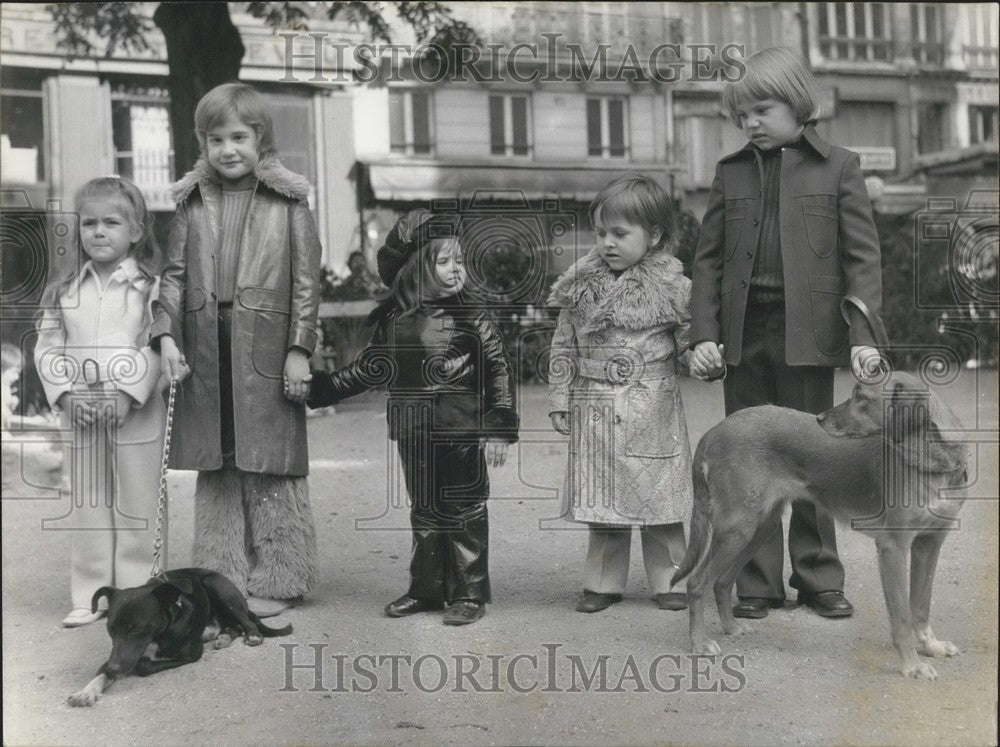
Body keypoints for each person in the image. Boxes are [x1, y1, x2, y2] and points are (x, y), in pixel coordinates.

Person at [689, 47, 884, 620]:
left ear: (799, 104)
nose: (749, 123)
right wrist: (703, 333)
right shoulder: (729, 173)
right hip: (744, 335)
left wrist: (864, 335)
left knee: (816, 457)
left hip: (811, 336)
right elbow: (708, 263)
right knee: (748, 463)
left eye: (761, 110)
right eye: (741, 115)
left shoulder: (840, 166)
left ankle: (818, 575)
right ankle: (754, 582)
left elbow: (862, 259)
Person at [152, 82, 322, 618]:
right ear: (202, 143)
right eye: (216, 138)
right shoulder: (190, 203)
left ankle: (283, 575)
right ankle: (220, 576)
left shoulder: (288, 200)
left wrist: (300, 348)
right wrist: (166, 337)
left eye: (239, 137)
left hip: (268, 347)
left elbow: (306, 283)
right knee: (218, 460)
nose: (228, 149)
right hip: (206, 348)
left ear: (261, 139)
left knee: (271, 463)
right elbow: (173, 279)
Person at [306, 210, 519, 626]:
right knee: (424, 510)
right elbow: (368, 369)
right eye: (445, 261)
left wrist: (497, 427)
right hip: (412, 429)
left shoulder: (471, 316)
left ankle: (469, 592)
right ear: (416, 267)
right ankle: (426, 589)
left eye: (460, 260)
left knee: (464, 508)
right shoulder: (392, 321)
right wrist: (319, 390)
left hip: (459, 427)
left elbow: (497, 368)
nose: (457, 268)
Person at [547, 174, 693, 614]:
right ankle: (602, 582)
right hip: (594, 405)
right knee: (604, 506)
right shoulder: (580, 285)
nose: (608, 243)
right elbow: (563, 343)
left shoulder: (673, 287)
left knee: (659, 500)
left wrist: (702, 357)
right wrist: (559, 398)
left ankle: (672, 579)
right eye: (601, 233)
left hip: (650, 404)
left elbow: (689, 338)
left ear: (655, 236)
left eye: (620, 233)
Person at [34, 177, 168, 627]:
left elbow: (156, 344)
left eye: (111, 222)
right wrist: (66, 395)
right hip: (82, 408)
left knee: (138, 499)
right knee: (89, 501)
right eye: (89, 222)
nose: (98, 231)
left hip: (135, 407)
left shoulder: (150, 288)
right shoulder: (64, 290)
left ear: (136, 230)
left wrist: (130, 396)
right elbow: (47, 347)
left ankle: (136, 592)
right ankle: (90, 592)